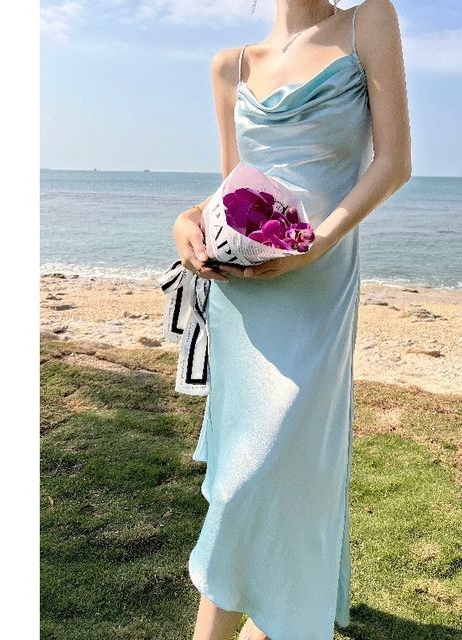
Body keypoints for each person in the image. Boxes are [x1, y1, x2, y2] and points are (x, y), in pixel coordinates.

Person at [172, 1, 411, 638]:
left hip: (318, 285)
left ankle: (274, 615)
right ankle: (275, 615)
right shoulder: (231, 65)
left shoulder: (368, 22)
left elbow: (394, 163)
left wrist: (315, 246)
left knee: (279, 464)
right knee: (244, 472)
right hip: (244, 294)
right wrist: (185, 220)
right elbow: (234, 187)